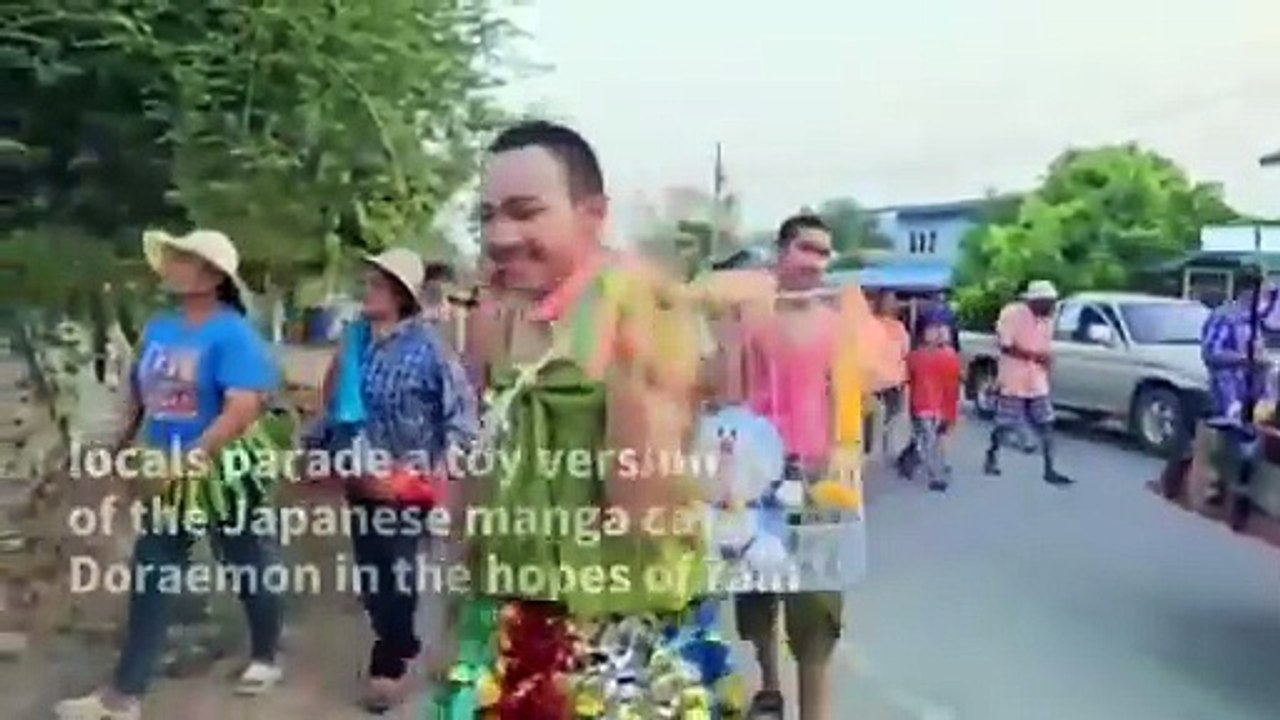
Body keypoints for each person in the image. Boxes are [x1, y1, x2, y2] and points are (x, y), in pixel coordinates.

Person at [443, 121, 715, 718]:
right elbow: (481, 456)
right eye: (487, 216)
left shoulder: (640, 305)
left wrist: (633, 375)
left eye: (525, 212)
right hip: (510, 611)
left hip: (615, 625)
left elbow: (640, 510)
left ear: (592, 213)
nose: (501, 236)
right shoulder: (497, 310)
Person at [56, 230, 285, 720]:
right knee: (153, 572)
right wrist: (118, 447)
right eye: (175, 257)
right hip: (166, 467)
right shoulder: (160, 327)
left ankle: (266, 653)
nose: (173, 266)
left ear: (211, 276)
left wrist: (194, 459)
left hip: (221, 468)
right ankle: (125, 695)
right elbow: (140, 393)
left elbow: (241, 408)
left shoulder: (232, 333)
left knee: (246, 563)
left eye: (184, 259)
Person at [316, 247, 477, 712]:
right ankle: (400, 639)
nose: (366, 291)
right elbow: (335, 410)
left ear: (401, 295)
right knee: (372, 575)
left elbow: (462, 418)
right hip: (360, 477)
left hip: (406, 485)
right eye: (367, 282)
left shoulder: (430, 348)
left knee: (397, 573)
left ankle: (389, 660)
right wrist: (311, 452)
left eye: (376, 284)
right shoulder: (355, 342)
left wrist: (440, 473)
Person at [728, 213, 847, 720]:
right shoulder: (750, 315)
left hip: (817, 479)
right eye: (805, 249)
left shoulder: (836, 322)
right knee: (756, 594)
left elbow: (846, 398)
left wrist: (845, 458)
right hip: (755, 479)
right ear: (780, 252)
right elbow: (729, 395)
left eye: (823, 253)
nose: (815, 262)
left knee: (818, 608)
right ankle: (769, 686)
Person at [982, 279, 1073, 485]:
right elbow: (1005, 345)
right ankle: (992, 455)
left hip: (1037, 378)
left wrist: (1046, 361)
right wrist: (1034, 356)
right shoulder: (1012, 314)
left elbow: (1044, 347)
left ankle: (1050, 469)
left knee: (1047, 423)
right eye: (1048, 302)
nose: (1051, 307)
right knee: (1004, 424)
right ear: (1035, 301)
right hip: (1014, 377)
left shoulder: (1047, 320)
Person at [906, 311, 963, 491]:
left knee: (934, 438)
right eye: (934, 328)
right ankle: (935, 474)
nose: (939, 332)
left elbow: (953, 385)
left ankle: (925, 464)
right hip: (923, 404)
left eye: (942, 328)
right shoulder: (917, 356)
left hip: (940, 405)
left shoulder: (950, 355)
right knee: (931, 438)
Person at [872, 290, 910, 457]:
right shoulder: (875, 325)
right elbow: (905, 351)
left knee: (890, 414)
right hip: (882, 379)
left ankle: (883, 444)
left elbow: (905, 351)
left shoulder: (897, 327)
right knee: (888, 414)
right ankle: (882, 444)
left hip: (887, 379)